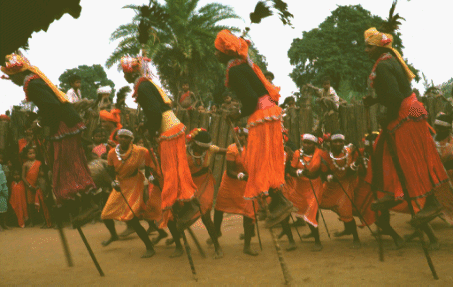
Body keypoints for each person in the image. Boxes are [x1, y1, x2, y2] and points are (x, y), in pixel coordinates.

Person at [362, 17, 453, 226]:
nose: (366, 51)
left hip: (405, 115)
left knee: (410, 160)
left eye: (368, 47)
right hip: (407, 111)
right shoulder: (388, 61)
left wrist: (386, 115)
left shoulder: (384, 66)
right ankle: (392, 191)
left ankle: (430, 202)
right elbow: (394, 92)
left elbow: (394, 97)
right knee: (382, 150)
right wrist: (375, 99)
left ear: (377, 47)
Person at [1, 54, 97, 227]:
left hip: (63, 126)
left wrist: (40, 123)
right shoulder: (35, 81)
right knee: (68, 164)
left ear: (17, 74)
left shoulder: (33, 84)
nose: (12, 80)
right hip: (64, 124)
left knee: (65, 165)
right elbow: (50, 106)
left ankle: (88, 204)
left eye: (11, 77)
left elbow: (52, 108)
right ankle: (84, 205)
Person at [215, 30, 292, 227]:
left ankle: (279, 203)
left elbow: (250, 100)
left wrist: (236, 114)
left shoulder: (235, 70)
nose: (215, 54)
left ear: (226, 51)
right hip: (269, 113)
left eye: (217, 51)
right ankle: (278, 203)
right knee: (264, 161)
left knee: (258, 162)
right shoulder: (242, 66)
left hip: (262, 116)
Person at [120, 55, 199, 231]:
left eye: (124, 73)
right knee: (176, 170)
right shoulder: (145, 84)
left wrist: (151, 129)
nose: (123, 76)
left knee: (171, 172)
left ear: (129, 74)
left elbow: (155, 113)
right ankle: (187, 203)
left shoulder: (144, 86)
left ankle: (188, 204)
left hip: (168, 131)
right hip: (173, 128)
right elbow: (154, 112)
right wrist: (147, 125)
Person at [100, 129, 156, 258]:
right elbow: (110, 171)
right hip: (120, 184)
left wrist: (150, 175)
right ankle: (114, 235)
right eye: (121, 137)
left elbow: (149, 161)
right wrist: (112, 182)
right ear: (117, 138)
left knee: (132, 218)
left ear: (131, 139)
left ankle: (149, 247)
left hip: (134, 183)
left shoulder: (140, 151)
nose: (123, 139)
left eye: (126, 137)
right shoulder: (112, 153)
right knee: (105, 215)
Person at [213, 127, 258, 256]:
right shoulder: (232, 149)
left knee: (249, 212)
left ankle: (247, 246)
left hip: (247, 184)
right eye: (240, 135)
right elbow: (230, 170)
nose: (242, 138)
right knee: (219, 208)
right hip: (231, 182)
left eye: (244, 135)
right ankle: (216, 231)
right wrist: (242, 176)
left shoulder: (255, 149)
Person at [320, 130, 361, 248]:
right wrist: (328, 177)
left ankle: (356, 238)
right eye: (335, 142)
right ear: (331, 143)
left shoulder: (349, 152)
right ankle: (347, 229)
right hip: (331, 186)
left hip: (345, 185)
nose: (338, 144)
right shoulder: (325, 155)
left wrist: (356, 164)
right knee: (318, 201)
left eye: (340, 142)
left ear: (344, 142)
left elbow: (350, 172)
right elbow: (323, 172)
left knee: (345, 210)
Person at [288, 133, 324, 251]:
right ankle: (293, 238)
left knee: (312, 210)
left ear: (314, 144)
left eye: (309, 143)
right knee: (288, 207)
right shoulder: (298, 153)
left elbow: (322, 171)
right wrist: (299, 173)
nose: (306, 145)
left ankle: (317, 241)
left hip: (314, 186)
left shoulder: (320, 154)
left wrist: (311, 175)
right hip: (299, 187)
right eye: (304, 142)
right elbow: (291, 169)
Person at [21, 146, 40, 226]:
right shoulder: (25, 164)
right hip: (29, 186)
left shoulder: (39, 163)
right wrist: (29, 186)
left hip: (38, 186)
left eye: (33, 153)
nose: (32, 155)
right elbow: (23, 177)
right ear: (26, 155)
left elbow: (41, 174)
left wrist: (39, 185)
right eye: (30, 153)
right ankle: (32, 221)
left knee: (39, 202)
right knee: (30, 204)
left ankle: (41, 220)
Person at [0, 163, 8, 231]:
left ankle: (3, 224)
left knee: (3, 209)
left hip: (2, 192)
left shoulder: (1, 171)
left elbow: (3, 183)